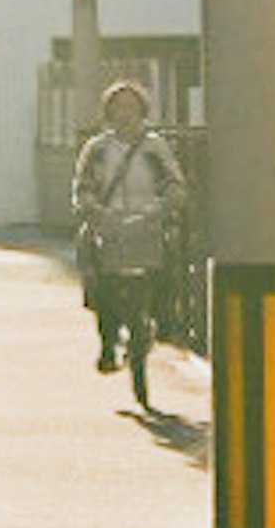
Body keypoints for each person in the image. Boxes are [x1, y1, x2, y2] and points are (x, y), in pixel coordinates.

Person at [70, 68, 191, 385]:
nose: (125, 114)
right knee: (97, 277)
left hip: (147, 226)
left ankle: (166, 319)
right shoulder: (97, 149)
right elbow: (82, 188)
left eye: (131, 107)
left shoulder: (155, 148)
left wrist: (162, 207)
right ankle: (107, 341)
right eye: (118, 108)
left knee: (170, 263)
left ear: (142, 110)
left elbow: (175, 184)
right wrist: (94, 209)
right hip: (109, 227)